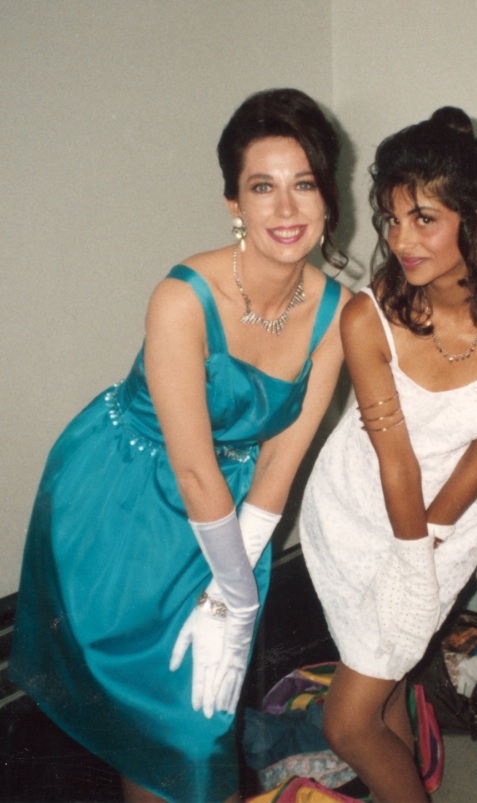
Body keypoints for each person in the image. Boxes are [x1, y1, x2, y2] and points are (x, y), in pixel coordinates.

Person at [10, 88, 350, 803]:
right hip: (125, 503)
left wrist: (235, 590)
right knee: (169, 723)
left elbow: (283, 458)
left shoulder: (336, 312)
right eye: (263, 187)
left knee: (198, 727)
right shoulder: (182, 298)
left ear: (327, 196)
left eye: (304, 185)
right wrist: (235, 595)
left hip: (234, 518)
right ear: (233, 202)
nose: (286, 210)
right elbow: (194, 467)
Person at [298, 107, 477, 803]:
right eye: (390, 219)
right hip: (356, 509)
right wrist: (403, 551)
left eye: (422, 219)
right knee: (381, 688)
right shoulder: (369, 314)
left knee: (346, 721)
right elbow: (394, 456)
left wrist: (425, 549)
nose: (399, 239)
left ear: (475, 224)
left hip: (450, 518)